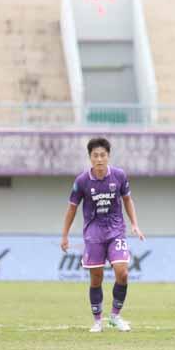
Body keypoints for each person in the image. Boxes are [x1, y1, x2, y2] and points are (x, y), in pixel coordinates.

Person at [61, 137, 145, 333]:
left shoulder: (119, 176)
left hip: (116, 231)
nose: (99, 159)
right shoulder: (82, 181)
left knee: (122, 273)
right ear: (90, 158)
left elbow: (127, 200)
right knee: (96, 278)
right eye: (95, 155)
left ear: (108, 156)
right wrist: (64, 235)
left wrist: (134, 224)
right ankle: (97, 320)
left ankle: (115, 317)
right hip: (93, 234)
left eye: (103, 155)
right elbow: (72, 208)